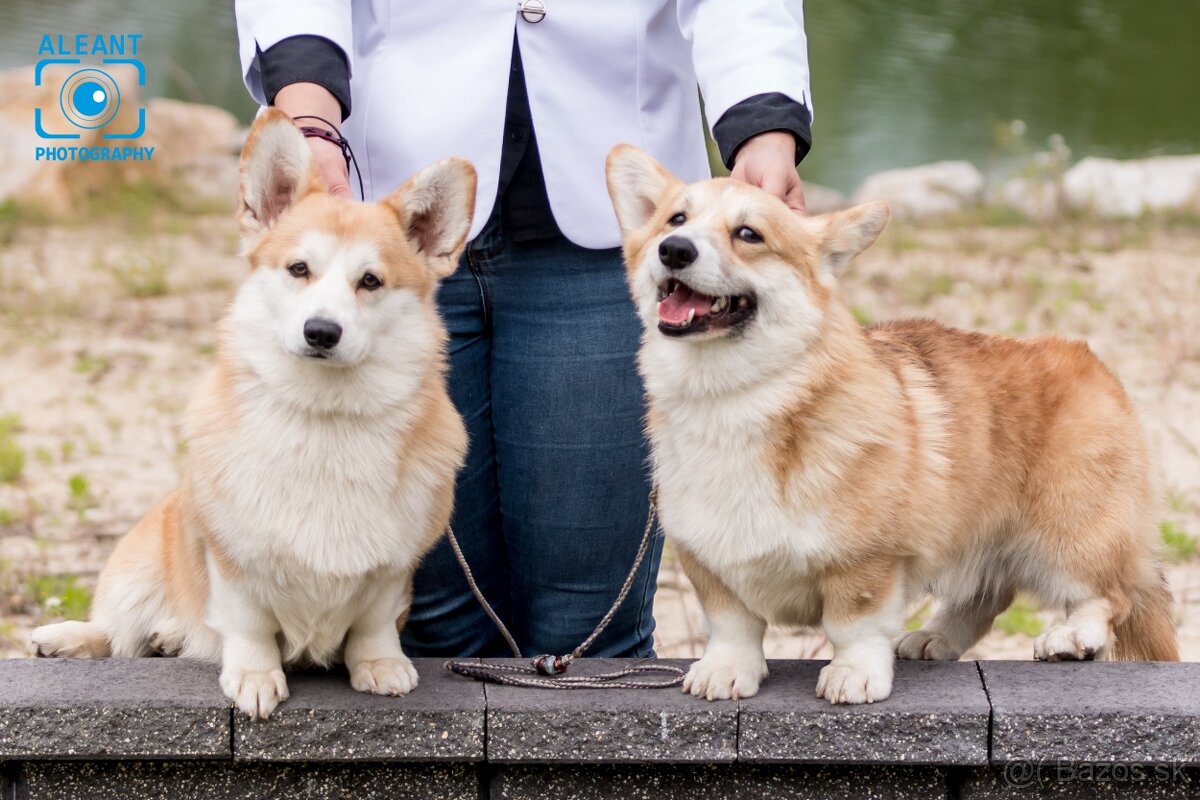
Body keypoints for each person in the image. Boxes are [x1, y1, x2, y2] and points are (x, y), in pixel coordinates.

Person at [233, 1, 813, 659]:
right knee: (425, 623)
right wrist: (308, 115)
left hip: (611, 215)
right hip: (382, 208)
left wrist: (765, 128)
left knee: (589, 633)